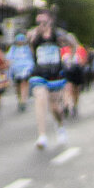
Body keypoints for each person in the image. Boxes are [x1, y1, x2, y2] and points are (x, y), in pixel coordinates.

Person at [25, 9, 68, 147]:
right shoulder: (34, 34)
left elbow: (72, 42)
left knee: (55, 107)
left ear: (50, 21)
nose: (41, 24)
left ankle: (60, 126)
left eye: (44, 21)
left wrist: (70, 56)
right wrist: (32, 37)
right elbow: (28, 45)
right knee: (40, 99)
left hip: (55, 73)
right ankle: (42, 135)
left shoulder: (58, 34)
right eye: (39, 22)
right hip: (39, 72)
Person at [6, 32, 33, 111]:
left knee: (24, 83)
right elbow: (8, 58)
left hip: (25, 69)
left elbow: (30, 59)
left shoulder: (27, 49)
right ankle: (20, 99)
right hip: (16, 70)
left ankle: (23, 100)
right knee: (18, 85)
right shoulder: (13, 49)